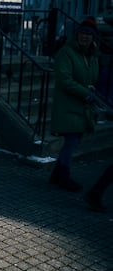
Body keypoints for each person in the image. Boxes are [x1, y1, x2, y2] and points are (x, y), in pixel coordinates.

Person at [49, 17, 100, 192]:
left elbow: (89, 78)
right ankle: (63, 176)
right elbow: (65, 80)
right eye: (83, 33)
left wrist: (90, 87)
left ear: (93, 38)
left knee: (73, 142)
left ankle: (56, 175)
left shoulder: (91, 55)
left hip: (81, 106)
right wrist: (86, 92)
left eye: (89, 34)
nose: (85, 37)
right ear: (77, 35)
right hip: (68, 105)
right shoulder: (66, 53)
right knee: (71, 142)